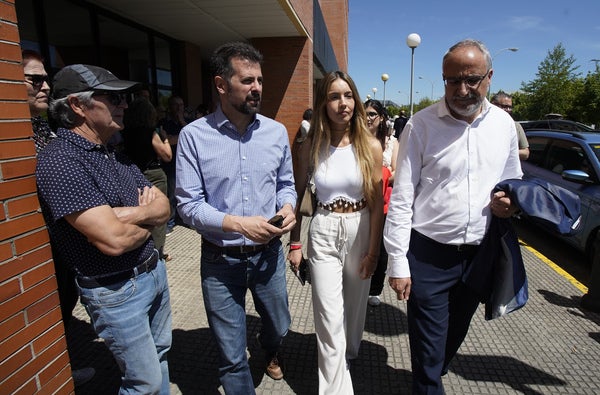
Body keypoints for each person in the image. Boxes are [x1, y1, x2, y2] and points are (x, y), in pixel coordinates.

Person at [383, 39, 523, 394]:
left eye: (471, 79)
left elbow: (513, 180)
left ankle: (431, 373)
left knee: (450, 340)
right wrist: (397, 262)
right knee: (429, 351)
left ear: (489, 77)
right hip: (428, 255)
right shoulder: (420, 125)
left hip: (480, 256)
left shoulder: (504, 126)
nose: (461, 89)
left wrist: (510, 202)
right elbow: (401, 198)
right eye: (451, 80)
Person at [36, 64, 172, 394]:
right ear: (77, 105)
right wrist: (146, 217)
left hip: (152, 274)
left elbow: (165, 208)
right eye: (113, 98)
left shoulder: (114, 154)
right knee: (145, 383)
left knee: (161, 360)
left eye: (123, 98)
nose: (124, 104)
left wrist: (124, 215)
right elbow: (113, 240)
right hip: (116, 289)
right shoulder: (61, 160)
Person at [175, 42, 296, 394]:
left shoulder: (275, 133)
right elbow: (188, 205)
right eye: (247, 80)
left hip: (269, 257)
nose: (257, 87)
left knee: (281, 325)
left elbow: (286, 185)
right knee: (231, 355)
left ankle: (271, 349)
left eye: (259, 79)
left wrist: (287, 208)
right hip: (219, 259)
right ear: (221, 84)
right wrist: (240, 224)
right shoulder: (193, 137)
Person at [288, 71, 384, 394]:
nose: (342, 103)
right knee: (328, 317)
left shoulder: (370, 146)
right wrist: (295, 242)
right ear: (323, 103)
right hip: (325, 228)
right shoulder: (310, 144)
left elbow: (376, 203)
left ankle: (348, 354)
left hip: (361, 227)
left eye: (347, 95)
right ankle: (336, 387)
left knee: (354, 313)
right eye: (333, 96)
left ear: (354, 100)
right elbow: (299, 192)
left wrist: (374, 251)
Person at [23, 50, 96, 387]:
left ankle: (61, 366)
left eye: (45, 78)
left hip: (61, 246)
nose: (45, 86)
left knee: (63, 304)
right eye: (35, 79)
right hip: (32, 251)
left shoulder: (42, 126)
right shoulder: (14, 134)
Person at [122, 97, 173, 262]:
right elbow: (167, 156)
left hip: (132, 174)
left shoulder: (124, 132)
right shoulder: (150, 131)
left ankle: (142, 250)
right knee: (157, 217)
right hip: (153, 175)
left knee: (140, 215)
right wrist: (164, 138)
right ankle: (157, 253)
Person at [363, 99, 398, 307]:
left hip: (383, 204)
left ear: (381, 117)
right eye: (365, 114)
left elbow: (397, 171)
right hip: (360, 203)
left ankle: (374, 289)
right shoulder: (355, 139)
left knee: (381, 249)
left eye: (372, 114)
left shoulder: (391, 142)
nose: (368, 118)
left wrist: (380, 175)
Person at [160, 95, 193, 235]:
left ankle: (186, 219)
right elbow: (166, 140)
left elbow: (194, 137)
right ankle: (171, 221)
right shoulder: (164, 123)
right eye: (176, 105)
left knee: (188, 191)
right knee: (172, 194)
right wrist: (181, 137)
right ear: (170, 106)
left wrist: (182, 122)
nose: (179, 108)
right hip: (171, 163)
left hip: (188, 163)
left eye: (181, 104)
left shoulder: (189, 122)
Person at [491, 91, 530, 160]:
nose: (508, 110)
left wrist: (505, 152)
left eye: (510, 107)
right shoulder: (481, 124)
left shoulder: (516, 126)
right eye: (505, 106)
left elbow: (525, 153)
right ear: (494, 105)